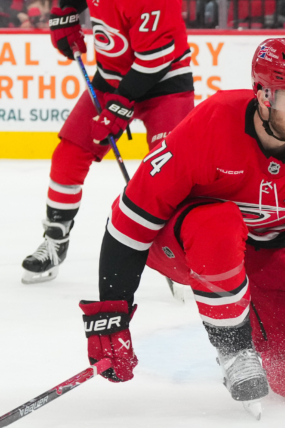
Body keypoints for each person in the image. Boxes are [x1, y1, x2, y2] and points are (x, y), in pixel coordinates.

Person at [77, 37, 285, 416]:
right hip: (178, 246)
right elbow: (129, 223)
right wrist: (111, 315)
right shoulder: (211, 122)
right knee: (218, 222)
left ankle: (275, 344)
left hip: (257, 255)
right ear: (263, 95)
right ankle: (235, 350)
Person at [21, 0, 194, 283]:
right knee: (68, 156)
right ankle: (55, 238)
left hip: (165, 82)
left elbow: (157, 57)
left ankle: (186, 247)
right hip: (111, 78)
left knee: (172, 170)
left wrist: (124, 99)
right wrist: (66, 8)